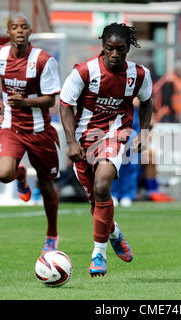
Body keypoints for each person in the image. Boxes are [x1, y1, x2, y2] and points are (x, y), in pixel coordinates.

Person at [59, 23, 153, 277]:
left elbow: (146, 103)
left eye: (120, 49)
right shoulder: (83, 71)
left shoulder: (139, 75)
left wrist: (143, 132)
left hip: (115, 135)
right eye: (109, 48)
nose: (114, 54)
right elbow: (65, 104)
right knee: (95, 200)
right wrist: (71, 142)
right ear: (103, 47)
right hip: (83, 139)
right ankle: (113, 232)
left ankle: (98, 255)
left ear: (127, 50)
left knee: (102, 186)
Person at [0, 14, 61, 253]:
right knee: (3, 174)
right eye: (15, 28)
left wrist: (25, 103)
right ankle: (19, 175)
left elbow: (50, 101)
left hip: (39, 130)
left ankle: (52, 234)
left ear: (30, 32)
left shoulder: (43, 60)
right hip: (11, 126)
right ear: (8, 32)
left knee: (46, 184)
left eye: (24, 27)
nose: (19, 31)